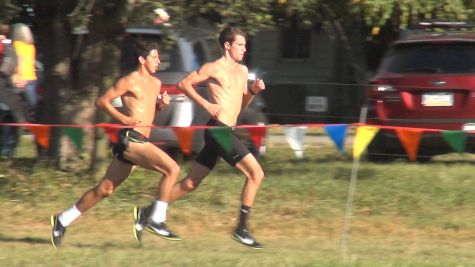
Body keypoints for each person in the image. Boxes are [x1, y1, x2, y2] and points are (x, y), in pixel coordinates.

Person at [134, 26, 266, 249]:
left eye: (245, 44)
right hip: (218, 131)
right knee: (256, 174)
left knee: (190, 183)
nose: (245, 49)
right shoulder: (213, 68)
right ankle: (241, 229)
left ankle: (147, 212)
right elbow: (183, 84)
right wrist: (206, 103)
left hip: (227, 130)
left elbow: (240, 106)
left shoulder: (242, 71)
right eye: (240, 44)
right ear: (227, 45)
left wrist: (252, 91)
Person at [50, 41, 181, 248]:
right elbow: (102, 101)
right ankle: (156, 218)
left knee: (105, 189)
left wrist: (160, 106)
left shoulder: (155, 83)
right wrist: (123, 118)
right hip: (131, 138)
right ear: (142, 59)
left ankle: (62, 220)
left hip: (142, 139)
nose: (158, 61)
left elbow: (147, 112)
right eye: (154, 57)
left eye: (159, 57)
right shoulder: (129, 81)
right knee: (172, 168)